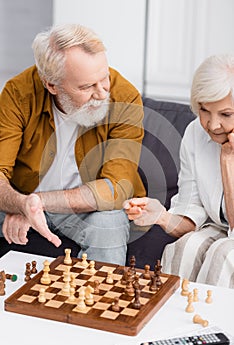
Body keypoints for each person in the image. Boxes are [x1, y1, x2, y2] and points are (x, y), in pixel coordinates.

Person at [0, 23, 146, 265]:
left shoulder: (125, 98)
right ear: (51, 85)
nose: (101, 93)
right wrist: (21, 204)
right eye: (87, 86)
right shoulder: (19, 93)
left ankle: (99, 302)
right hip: (22, 196)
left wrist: (37, 203)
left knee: (108, 225)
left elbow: (114, 189)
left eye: (104, 78)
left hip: (87, 210)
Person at [124, 54, 234, 288]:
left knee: (223, 255)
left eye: (226, 115)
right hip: (218, 227)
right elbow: (191, 207)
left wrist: (228, 160)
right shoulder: (195, 132)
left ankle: (215, 324)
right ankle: (171, 320)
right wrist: (161, 216)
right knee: (184, 248)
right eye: (204, 110)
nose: (212, 125)